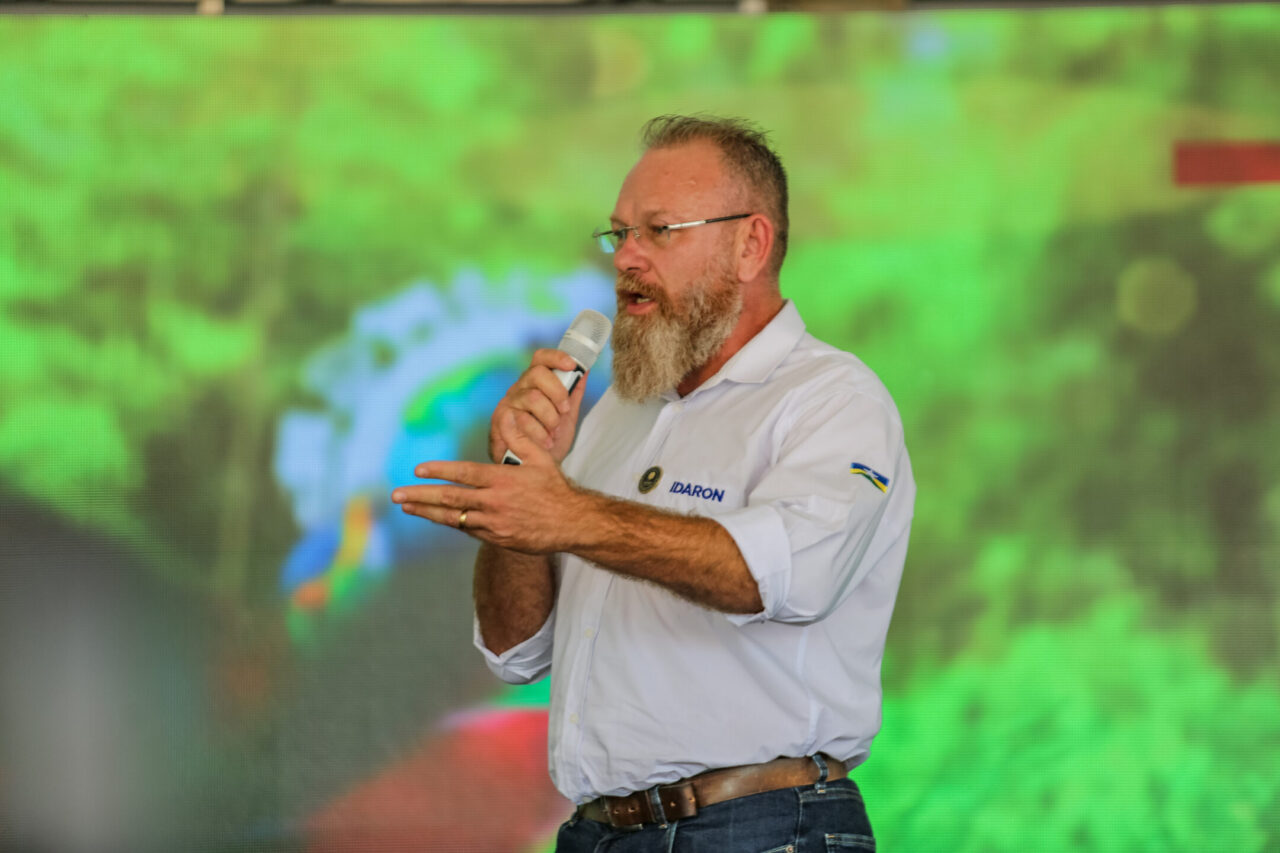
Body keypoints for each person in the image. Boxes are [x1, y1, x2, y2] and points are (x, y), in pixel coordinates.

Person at [391, 115, 915, 852]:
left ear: (750, 245)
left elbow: (780, 575)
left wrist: (568, 513)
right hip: (597, 832)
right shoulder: (619, 412)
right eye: (619, 234)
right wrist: (524, 482)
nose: (626, 259)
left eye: (659, 231)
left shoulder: (832, 398)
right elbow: (515, 650)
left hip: (758, 828)